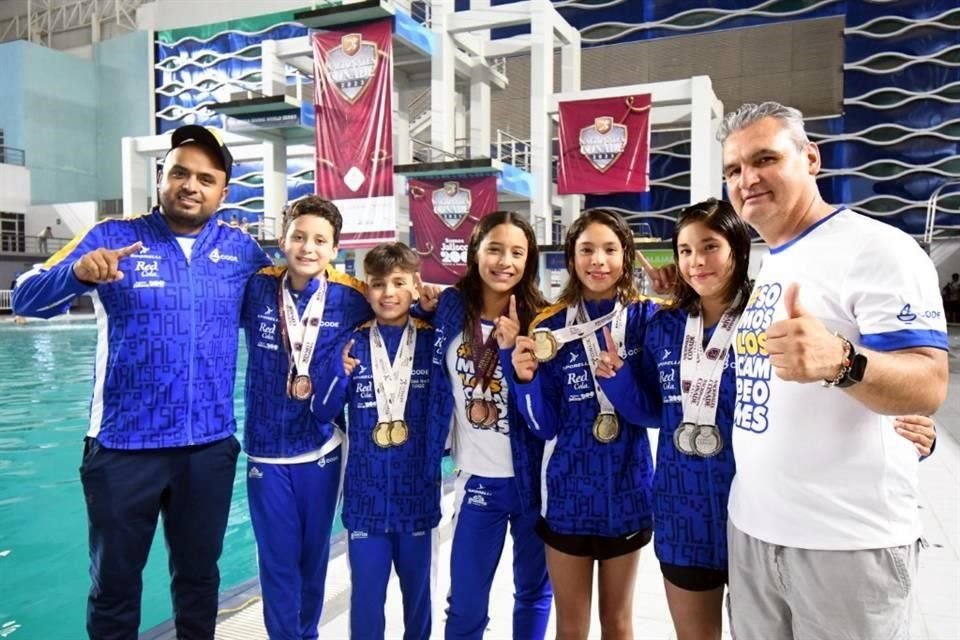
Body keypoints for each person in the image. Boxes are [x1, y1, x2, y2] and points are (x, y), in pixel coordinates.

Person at [12, 125, 271, 638]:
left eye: (205, 177)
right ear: (162, 178)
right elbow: (25, 297)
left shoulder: (241, 251)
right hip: (123, 449)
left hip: (208, 449)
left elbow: (283, 316)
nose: (190, 185)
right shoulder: (111, 236)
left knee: (199, 581)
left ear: (223, 191)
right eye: (179, 172)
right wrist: (78, 276)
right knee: (114, 586)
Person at [719, 101, 948, 639]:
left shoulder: (877, 250)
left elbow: (930, 383)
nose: (747, 179)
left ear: (811, 159)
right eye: (733, 169)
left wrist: (844, 362)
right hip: (754, 534)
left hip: (844, 543)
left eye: (764, 159)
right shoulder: (773, 260)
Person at [509, 209, 657, 639]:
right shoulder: (550, 328)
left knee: (618, 623)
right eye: (586, 249)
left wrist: (623, 381)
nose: (598, 260)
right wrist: (527, 381)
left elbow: (653, 415)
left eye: (610, 249)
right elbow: (544, 425)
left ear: (625, 256)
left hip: (628, 491)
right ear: (572, 258)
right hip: (568, 496)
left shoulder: (647, 320)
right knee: (570, 627)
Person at [240, 196, 371, 640]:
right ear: (283, 240)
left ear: (335, 248)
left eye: (320, 240)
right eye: (299, 237)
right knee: (276, 563)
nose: (307, 248)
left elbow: (401, 313)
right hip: (266, 450)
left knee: (313, 558)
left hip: (322, 448)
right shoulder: (257, 286)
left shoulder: (352, 298)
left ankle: (308, 634)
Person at [427, 211, 553, 640]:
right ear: (475, 251)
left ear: (529, 260)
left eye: (517, 252)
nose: (505, 261)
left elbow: (544, 413)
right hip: (478, 480)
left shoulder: (542, 321)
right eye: (495, 249)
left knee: (533, 593)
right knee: (465, 605)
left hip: (533, 481)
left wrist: (508, 354)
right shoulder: (448, 308)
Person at [312, 242, 446, 640]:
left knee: (418, 601)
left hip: (418, 498)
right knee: (366, 602)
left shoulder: (432, 340)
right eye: (378, 284)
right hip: (365, 501)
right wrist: (339, 374)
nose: (388, 293)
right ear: (366, 289)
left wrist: (430, 307)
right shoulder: (349, 343)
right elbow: (322, 411)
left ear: (415, 285)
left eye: (399, 283)